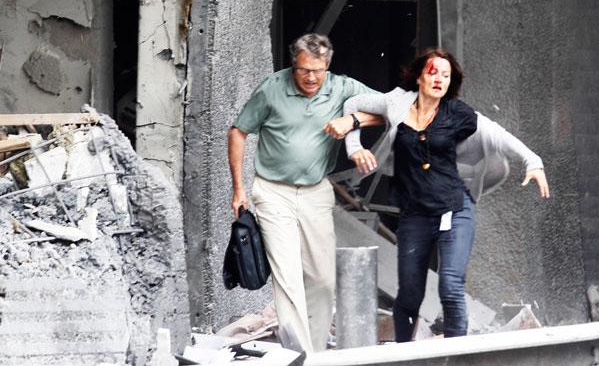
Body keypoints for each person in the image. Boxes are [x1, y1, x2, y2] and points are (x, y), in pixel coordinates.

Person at [337, 47, 549, 341]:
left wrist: (533, 161)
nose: (439, 79)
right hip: (415, 214)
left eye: (446, 75)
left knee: (450, 286)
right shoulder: (396, 101)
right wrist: (355, 147)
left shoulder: (457, 113)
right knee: (410, 294)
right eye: (433, 72)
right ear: (419, 77)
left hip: (455, 209)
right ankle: (405, 356)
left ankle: (456, 356)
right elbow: (352, 104)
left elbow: (497, 134)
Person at [227, 33, 380, 353]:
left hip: (316, 191)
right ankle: (301, 355)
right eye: (304, 70)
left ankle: (317, 352)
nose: (311, 78)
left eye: (318, 71)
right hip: (273, 192)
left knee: (322, 280)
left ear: (328, 66)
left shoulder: (342, 87)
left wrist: (352, 120)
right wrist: (239, 189)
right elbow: (238, 132)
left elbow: (389, 109)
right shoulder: (272, 88)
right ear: (293, 65)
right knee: (288, 279)